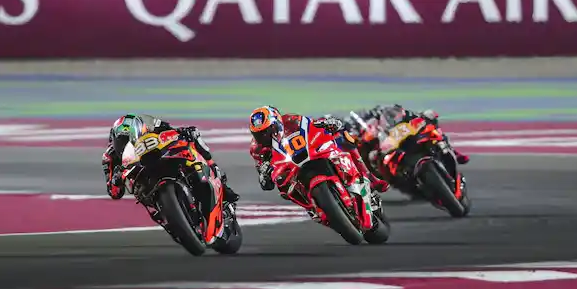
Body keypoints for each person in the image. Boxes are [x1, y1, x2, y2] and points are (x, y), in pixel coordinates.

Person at [248, 105, 390, 198]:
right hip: (289, 169)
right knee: (284, 190)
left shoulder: (290, 119)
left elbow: (310, 124)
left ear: (277, 122)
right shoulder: (257, 148)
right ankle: (313, 207)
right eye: (260, 134)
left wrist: (327, 123)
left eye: (268, 130)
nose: (265, 136)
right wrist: (264, 173)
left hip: (307, 151)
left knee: (343, 136)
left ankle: (370, 178)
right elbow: (266, 184)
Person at [102, 113, 240, 203]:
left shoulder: (149, 127)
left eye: (131, 137)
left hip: (156, 159)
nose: (128, 143)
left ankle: (220, 181)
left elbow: (169, 129)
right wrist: (116, 179)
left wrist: (183, 132)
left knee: (193, 139)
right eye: (123, 140)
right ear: (114, 139)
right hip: (142, 183)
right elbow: (114, 193)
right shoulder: (109, 157)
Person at [345, 103, 470, 171]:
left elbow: (396, 113)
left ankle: (453, 151)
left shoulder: (379, 115)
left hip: (397, 136)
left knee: (428, 119)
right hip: (384, 157)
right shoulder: (358, 139)